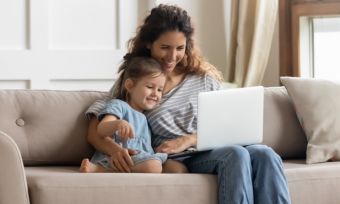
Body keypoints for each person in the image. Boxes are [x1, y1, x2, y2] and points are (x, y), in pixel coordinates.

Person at [85, 4, 291, 203]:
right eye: (165, 47)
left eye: (180, 48)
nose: (172, 57)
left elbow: (224, 125)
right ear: (149, 43)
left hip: (209, 146)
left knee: (266, 154)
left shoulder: (204, 79)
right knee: (234, 155)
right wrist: (115, 151)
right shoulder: (138, 81)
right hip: (179, 158)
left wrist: (188, 139)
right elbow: (95, 130)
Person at [81, 57, 182, 173]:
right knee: (153, 167)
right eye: (150, 87)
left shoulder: (146, 117)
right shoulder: (119, 105)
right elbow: (101, 129)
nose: (155, 94)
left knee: (178, 168)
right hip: (116, 158)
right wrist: (118, 123)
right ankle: (100, 169)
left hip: (142, 158)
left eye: (160, 90)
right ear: (129, 86)